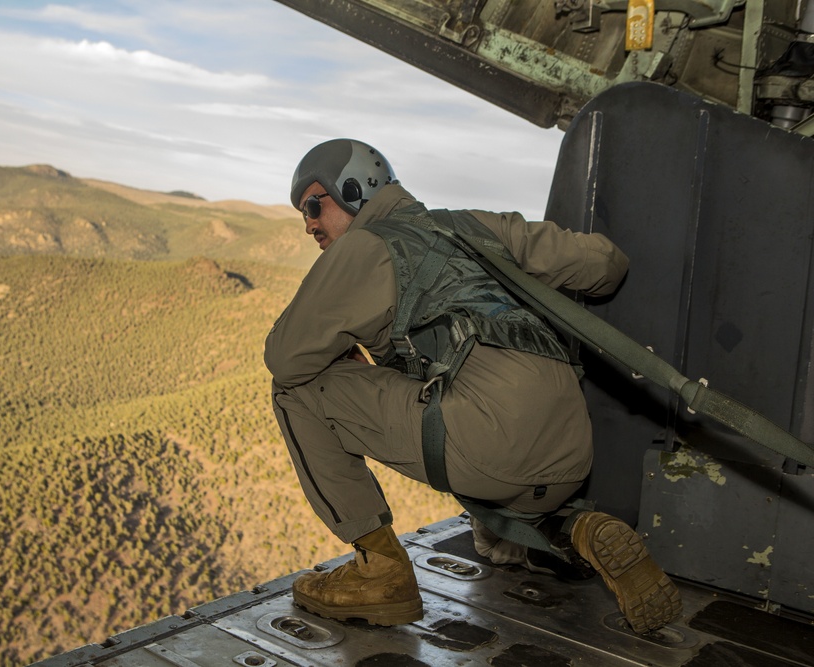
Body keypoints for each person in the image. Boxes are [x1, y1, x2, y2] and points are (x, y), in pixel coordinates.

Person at [264, 138, 682, 634]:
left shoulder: (363, 249)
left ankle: (379, 572)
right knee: (494, 540)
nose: (309, 223)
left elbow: (285, 358)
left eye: (314, 205)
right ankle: (579, 530)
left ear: (355, 189)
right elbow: (606, 263)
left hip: (487, 441)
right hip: (571, 447)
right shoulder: (473, 225)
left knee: (293, 391)